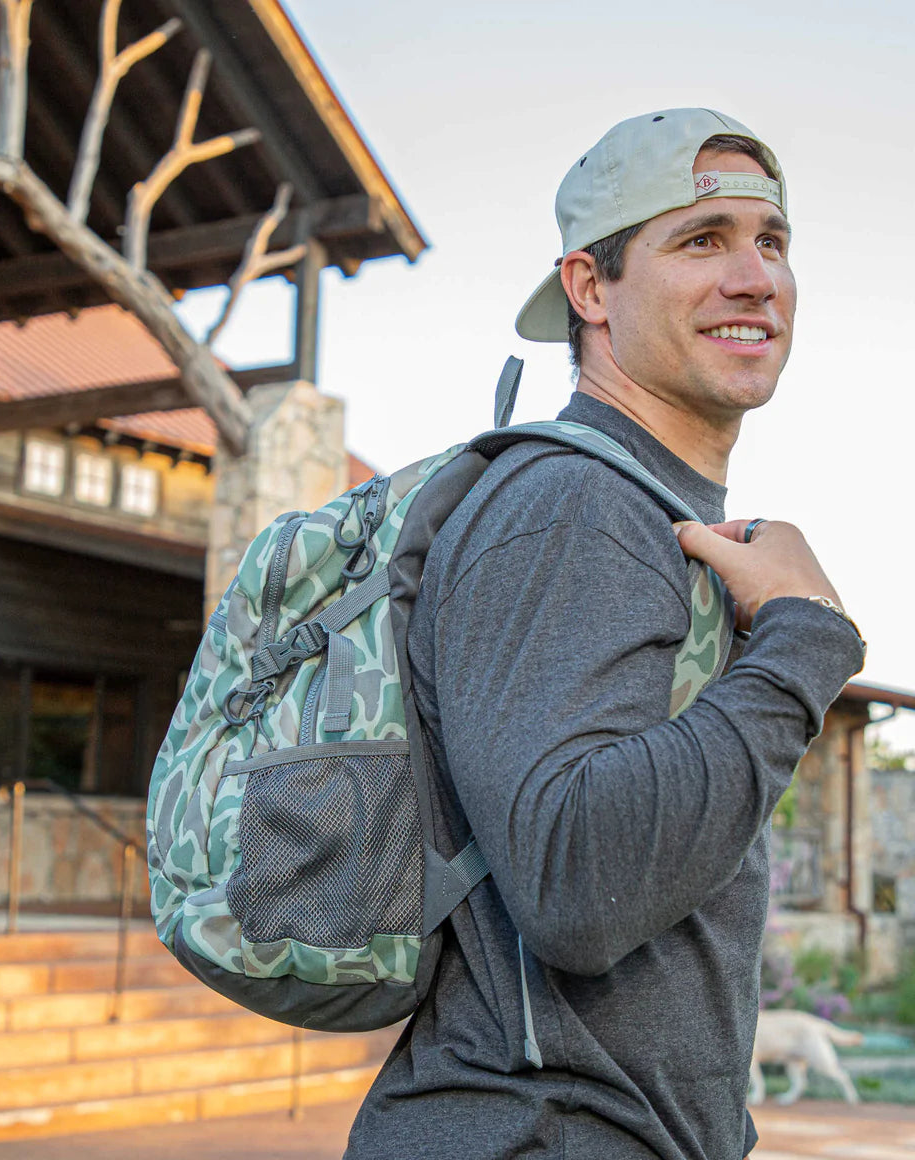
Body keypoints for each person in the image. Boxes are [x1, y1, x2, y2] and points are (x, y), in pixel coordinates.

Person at [344, 108, 866, 1159]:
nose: (753, 276)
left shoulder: (633, 507)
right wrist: (805, 640)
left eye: (770, 241)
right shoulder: (571, 503)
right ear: (589, 287)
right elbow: (575, 882)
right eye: (699, 239)